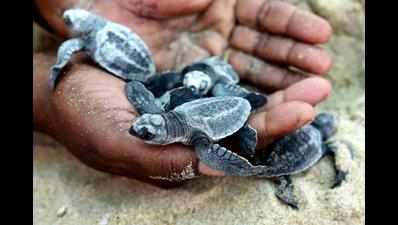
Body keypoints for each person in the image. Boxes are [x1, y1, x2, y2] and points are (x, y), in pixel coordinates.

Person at [33, 0, 333, 187]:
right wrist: (48, 95)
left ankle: (250, 110)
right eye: (145, 129)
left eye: (145, 129)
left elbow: (149, 93)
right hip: (204, 97)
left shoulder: (194, 135)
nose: (138, 130)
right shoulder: (175, 115)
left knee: (234, 131)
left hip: (230, 111)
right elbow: (145, 93)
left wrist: (243, 166)